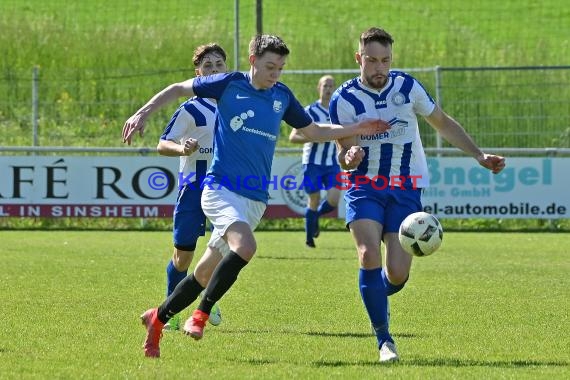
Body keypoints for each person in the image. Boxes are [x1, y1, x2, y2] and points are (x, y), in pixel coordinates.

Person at [124, 34, 389, 358]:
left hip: (254, 200)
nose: (274, 73)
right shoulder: (229, 84)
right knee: (246, 247)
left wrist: (359, 127)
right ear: (252, 62)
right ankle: (201, 314)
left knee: (204, 272)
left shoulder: (281, 96)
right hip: (219, 189)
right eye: (269, 66)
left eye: (280, 67)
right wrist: (145, 111)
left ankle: (157, 318)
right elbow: (179, 89)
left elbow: (314, 132)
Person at [331, 27, 506, 363]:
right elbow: (344, 151)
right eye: (371, 60)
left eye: (385, 60)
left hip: (405, 189)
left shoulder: (408, 87)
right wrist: (349, 157)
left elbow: (442, 122)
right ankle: (384, 340)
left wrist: (479, 155)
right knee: (368, 254)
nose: (379, 67)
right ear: (359, 59)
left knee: (397, 273)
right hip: (364, 186)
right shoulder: (344, 98)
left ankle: (375, 293)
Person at [155, 43, 228, 330]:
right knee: (183, 256)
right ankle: (170, 307)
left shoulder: (237, 103)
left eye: (218, 64)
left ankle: (206, 304)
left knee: (224, 252)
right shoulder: (191, 108)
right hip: (194, 187)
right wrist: (182, 149)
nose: (213, 70)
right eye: (207, 66)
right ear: (198, 73)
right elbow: (162, 144)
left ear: (227, 68)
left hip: (227, 187)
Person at [289, 75, 341, 248]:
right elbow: (293, 137)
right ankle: (309, 238)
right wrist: (313, 137)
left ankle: (316, 216)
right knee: (314, 199)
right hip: (312, 162)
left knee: (334, 199)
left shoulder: (338, 111)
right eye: (325, 85)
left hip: (332, 163)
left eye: (331, 86)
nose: (328, 89)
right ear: (318, 88)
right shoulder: (310, 111)